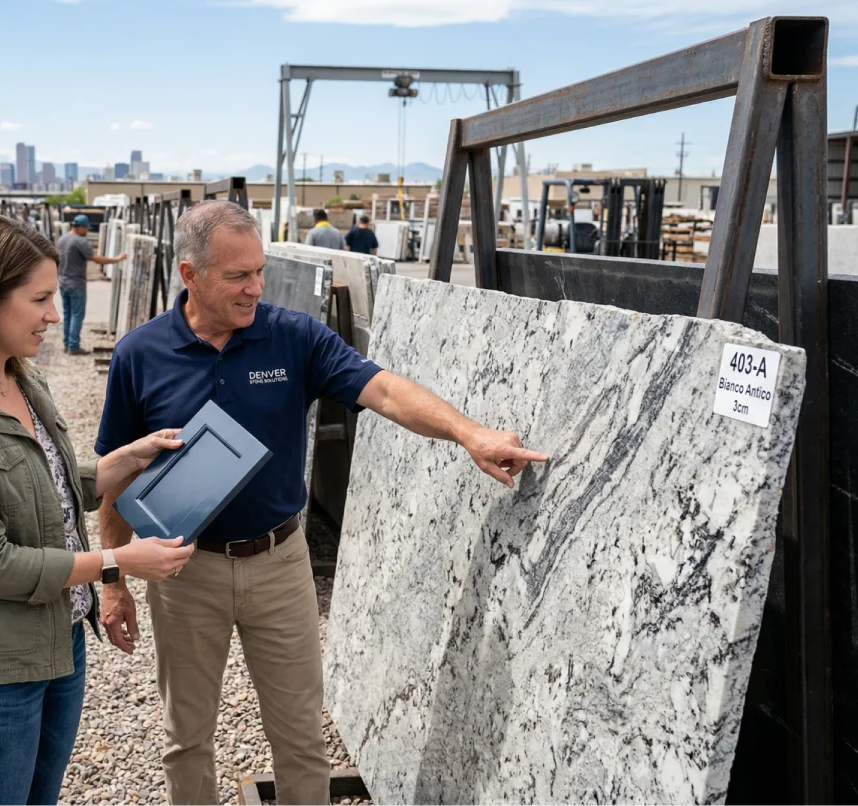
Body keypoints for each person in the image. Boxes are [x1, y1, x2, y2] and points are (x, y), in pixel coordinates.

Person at [94, 201, 548, 805]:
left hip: (281, 566)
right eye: (236, 276)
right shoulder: (139, 355)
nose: (255, 286)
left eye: (258, 270)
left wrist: (470, 433)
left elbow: (383, 388)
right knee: (187, 738)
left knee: (301, 737)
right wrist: (112, 576)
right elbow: (114, 479)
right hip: (182, 570)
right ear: (189, 275)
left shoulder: (293, 336)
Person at [0, 214, 195, 806]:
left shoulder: (21, 381)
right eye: (40, 299)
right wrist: (117, 560)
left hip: (60, 639)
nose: (55, 315)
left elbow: (58, 488)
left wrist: (132, 456)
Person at [56, 213, 126, 355]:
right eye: (86, 228)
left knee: (67, 314)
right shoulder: (80, 242)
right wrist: (116, 259)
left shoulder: (62, 239)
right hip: (76, 283)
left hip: (63, 282)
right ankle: (73, 346)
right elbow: (96, 259)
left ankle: (67, 344)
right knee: (77, 314)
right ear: (80, 227)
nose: (87, 231)